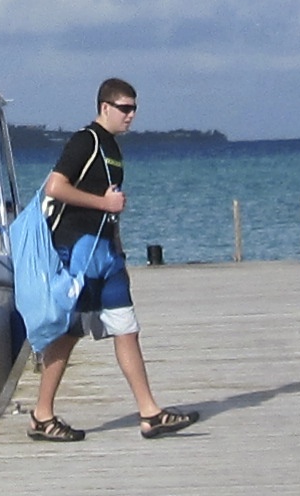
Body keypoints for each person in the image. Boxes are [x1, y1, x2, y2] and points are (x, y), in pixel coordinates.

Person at [24, 77, 191, 440]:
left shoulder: (113, 147)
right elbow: (56, 187)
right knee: (68, 333)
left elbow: (107, 202)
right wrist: (105, 204)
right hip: (78, 251)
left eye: (134, 109)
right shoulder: (86, 140)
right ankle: (41, 415)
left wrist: (116, 240)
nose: (131, 115)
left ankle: (150, 413)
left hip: (106, 254)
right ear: (105, 107)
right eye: (124, 108)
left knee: (127, 328)